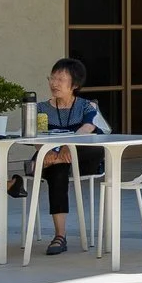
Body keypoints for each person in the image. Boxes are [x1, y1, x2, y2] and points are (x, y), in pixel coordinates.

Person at [12, 57, 110, 255]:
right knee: (58, 171)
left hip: (82, 159)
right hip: (52, 160)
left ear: (74, 85)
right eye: (52, 78)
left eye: (60, 80)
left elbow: (88, 127)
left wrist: (68, 146)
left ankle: (50, 160)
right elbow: (35, 136)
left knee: (96, 147)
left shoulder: (87, 106)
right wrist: (43, 151)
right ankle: (60, 236)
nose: (54, 84)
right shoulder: (40, 108)